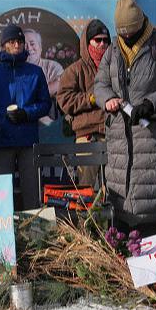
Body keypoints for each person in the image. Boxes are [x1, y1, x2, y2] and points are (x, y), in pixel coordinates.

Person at [93, 0, 156, 231]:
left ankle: (146, 243)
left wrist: (151, 103)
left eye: (129, 31)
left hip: (150, 135)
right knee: (118, 195)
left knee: (146, 197)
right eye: (121, 32)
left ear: (140, 24)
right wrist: (108, 99)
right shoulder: (112, 51)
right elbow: (100, 84)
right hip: (118, 137)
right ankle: (120, 246)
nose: (125, 36)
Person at [0, 23, 51, 210]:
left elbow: (45, 104)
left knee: (32, 194)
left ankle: (33, 227)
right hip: (2, 141)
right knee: (1, 195)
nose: (17, 45)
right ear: (3, 45)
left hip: (28, 142)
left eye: (19, 41)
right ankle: (3, 228)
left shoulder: (35, 72)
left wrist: (26, 113)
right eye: (12, 41)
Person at [57, 19, 110, 188]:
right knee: (86, 190)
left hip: (113, 135)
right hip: (87, 136)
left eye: (106, 40)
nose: (102, 44)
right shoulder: (75, 70)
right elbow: (64, 100)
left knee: (112, 189)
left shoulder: (115, 68)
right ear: (88, 42)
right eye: (97, 40)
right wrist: (91, 99)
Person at [24, 28, 64, 100]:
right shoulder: (14, 70)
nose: (29, 48)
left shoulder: (53, 67)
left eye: (32, 44)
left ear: (40, 48)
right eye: (24, 45)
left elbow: (62, 84)